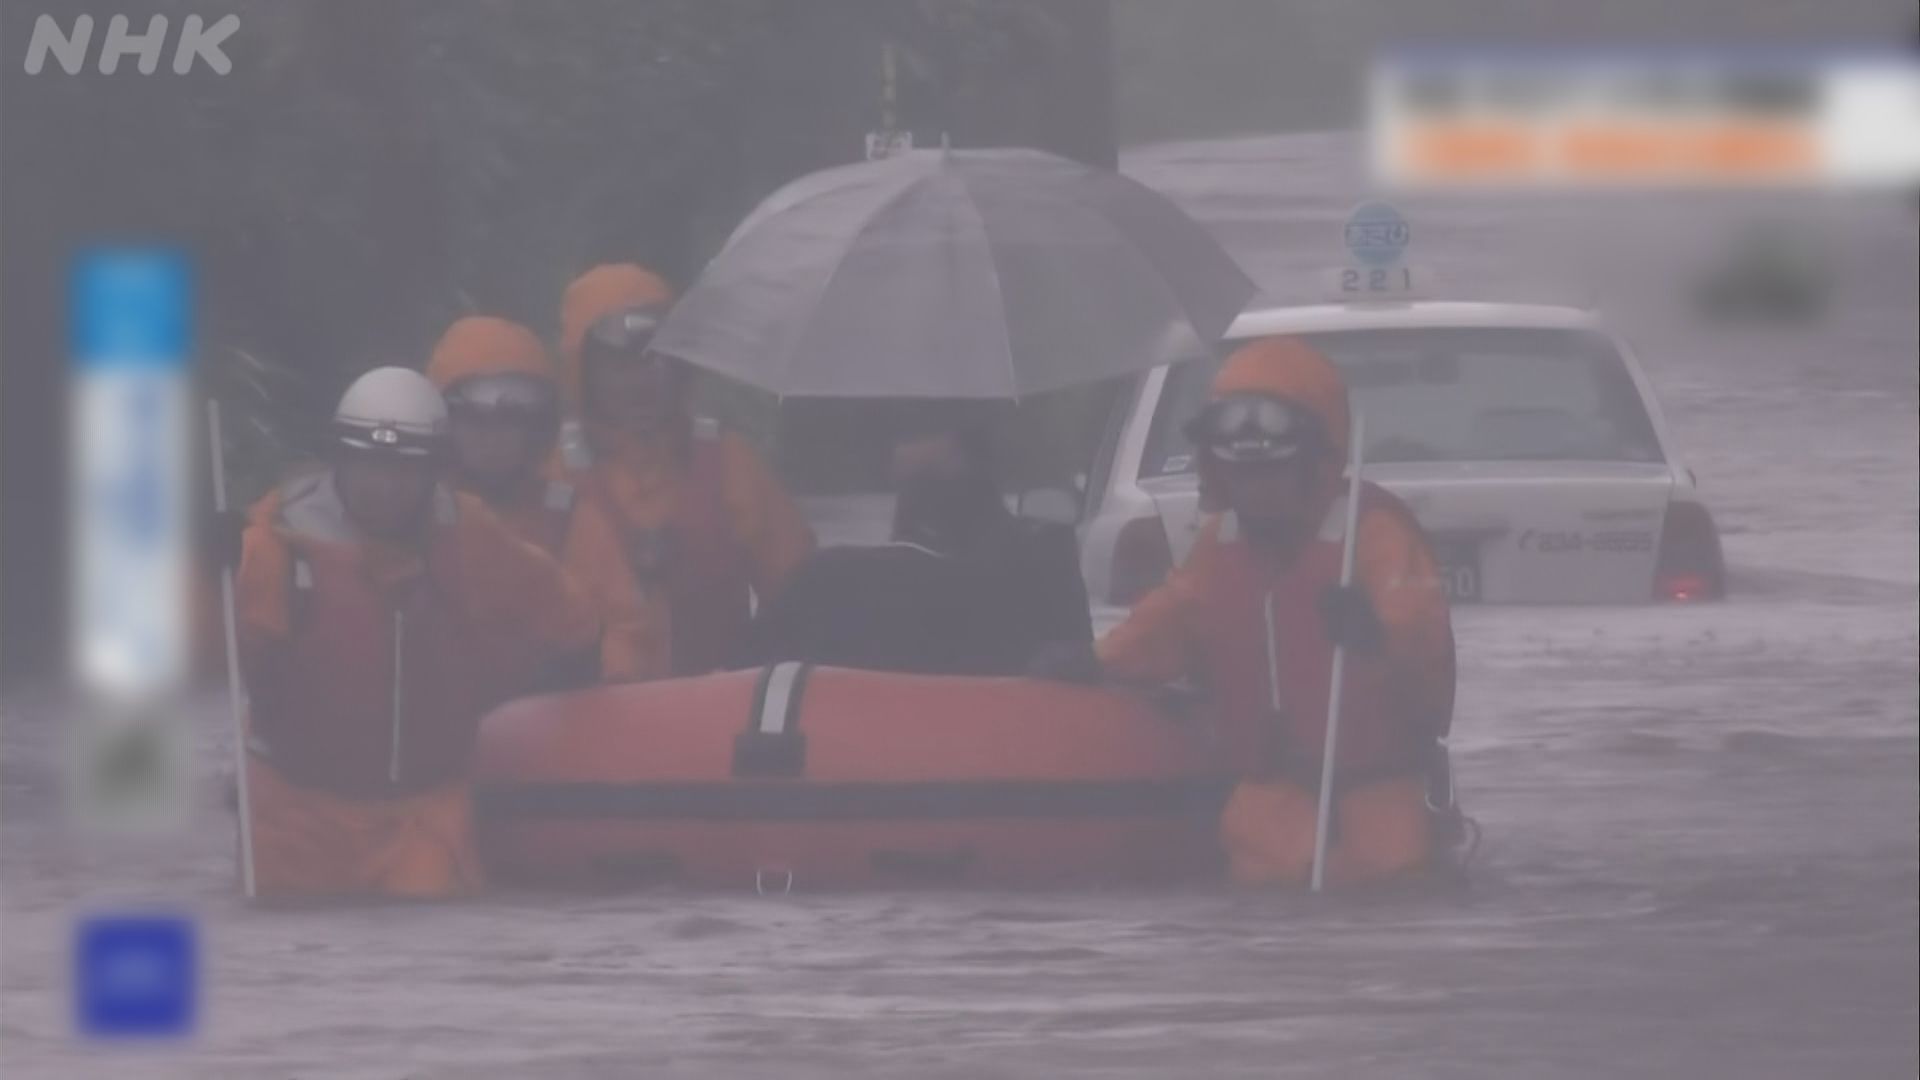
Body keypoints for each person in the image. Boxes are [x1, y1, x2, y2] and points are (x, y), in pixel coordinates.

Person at [1034, 337, 1455, 887]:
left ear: (1313, 465)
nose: (1258, 491)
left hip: (1380, 788)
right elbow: (1167, 625)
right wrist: (1093, 662)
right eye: (1243, 476)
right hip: (1270, 797)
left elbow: (1425, 650)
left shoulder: (1372, 536)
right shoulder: (1222, 546)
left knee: (1393, 873)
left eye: (1273, 474)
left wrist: (1374, 636)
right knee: (1263, 875)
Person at [222, 367, 600, 898]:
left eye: (404, 468)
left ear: (435, 471)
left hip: (426, 817)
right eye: (368, 463)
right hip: (295, 815)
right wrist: (205, 570)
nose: (384, 485)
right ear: (340, 459)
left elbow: (568, 613)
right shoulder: (272, 549)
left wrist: (560, 680)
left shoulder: (469, 536)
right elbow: (205, 656)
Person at [555, 263, 814, 679]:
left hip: (710, 717)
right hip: (587, 722)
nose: (639, 380)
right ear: (583, 371)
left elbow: (802, 598)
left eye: (654, 360)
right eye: (618, 364)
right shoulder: (553, 478)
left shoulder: (729, 462)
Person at [741, 409, 1092, 675]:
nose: (896, 447)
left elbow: (750, 674)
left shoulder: (825, 582)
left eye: (910, 431)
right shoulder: (1043, 562)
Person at [425, 315, 652, 684]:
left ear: (536, 428)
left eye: (510, 422)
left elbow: (625, 628)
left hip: (547, 726)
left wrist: (599, 683)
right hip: (436, 714)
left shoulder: (569, 516)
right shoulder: (413, 511)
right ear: (444, 423)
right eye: (475, 421)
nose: (492, 439)